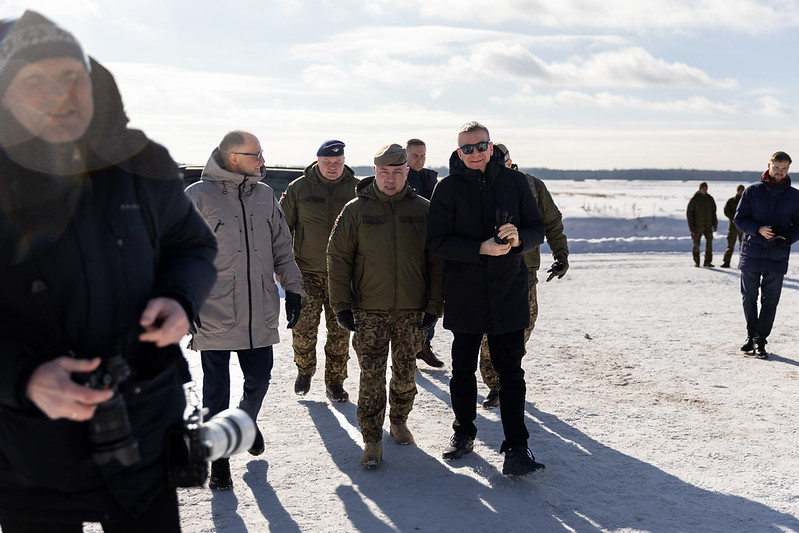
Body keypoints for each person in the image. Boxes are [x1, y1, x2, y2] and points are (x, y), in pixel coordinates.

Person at [0, 11, 218, 531]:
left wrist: (180, 298)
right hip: (30, 457)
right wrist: (23, 379)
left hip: (144, 437)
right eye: (35, 81)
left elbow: (192, 245)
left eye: (70, 75)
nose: (61, 94)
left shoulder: (141, 163)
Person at [185, 130, 304, 490]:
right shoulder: (197, 196)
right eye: (256, 154)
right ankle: (219, 462)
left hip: (259, 307)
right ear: (234, 157)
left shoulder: (265, 195)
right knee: (215, 392)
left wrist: (293, 288)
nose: (263, 160)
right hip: (214, 310)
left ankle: (245, 422)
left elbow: (282, 245)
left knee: (259, 379)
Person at [427, 121, 547, 477]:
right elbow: (436, 241)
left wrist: (518, 238)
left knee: (511, 373)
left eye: (481, 146)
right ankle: (464, 432)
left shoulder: (515, 183)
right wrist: (480, 248)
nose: (475, 153)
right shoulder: (447, 189)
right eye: (467, 148)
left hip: (508, 292)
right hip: (465, 294)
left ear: (491, 147)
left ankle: (517, 447)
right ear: (458, 152)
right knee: (462, 370)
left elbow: (537, 229)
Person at [327, 144, 443, 468]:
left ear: (407, 172)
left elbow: (436, 262)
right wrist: (341, 305)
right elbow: (338, 257)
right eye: (384, 172)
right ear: (375, 172)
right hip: (369, 311)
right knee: (372, 378)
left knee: (405, 375)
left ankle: (399, 421)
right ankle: (372, 440)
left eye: (397, 172)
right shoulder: (355, 210)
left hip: (411, 311)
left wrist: (434, 305)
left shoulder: (423, 210)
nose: (390, 179)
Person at [478, 143, 569, 409]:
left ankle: (508, 376)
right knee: (488, 334)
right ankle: (496, 385)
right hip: (488, 270)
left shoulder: (531, 185)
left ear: (510, 161)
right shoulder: (479, 185)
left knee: (523, 326)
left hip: (525, 269)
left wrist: (560, 255)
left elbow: (552, 222)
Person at [280, 140, 358, 402]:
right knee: (303, 328)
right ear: (318, 161)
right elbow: (281, 229)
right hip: (306, 273)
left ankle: (335, 382)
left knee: (340, 332)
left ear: (344, 161)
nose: (333, 167)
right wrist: (282, 267)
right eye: (327, 163)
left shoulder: (356, 188)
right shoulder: (299, 188)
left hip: (342, 275)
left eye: (338, 162)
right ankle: (304, 370)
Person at [733, 151, 799, 359]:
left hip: (777, 255)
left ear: (788, 169)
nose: (780, 172)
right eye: (777, 167)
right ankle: (751, 334)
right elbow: (739, 220)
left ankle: (760, 339)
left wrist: (787, 238)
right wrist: (758, 229)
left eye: (784, 169)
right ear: (769, 166)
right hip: (752, 252)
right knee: (749, 297)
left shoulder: (795, 196)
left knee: (770, 300)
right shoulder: (753, 191)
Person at [405, 138, 444, 368]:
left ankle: (424, 345)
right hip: (407, 250)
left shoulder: (431, 180)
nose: (419, 160)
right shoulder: (399, 178)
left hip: (431, 247)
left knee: (433, 297)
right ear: (406, 156)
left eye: (422, 156)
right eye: (415, 156)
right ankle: (408, 349)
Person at [686, 182, 718, 267]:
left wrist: (715, 223)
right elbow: (689, 214)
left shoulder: (710, 199)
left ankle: (707, 261)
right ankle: (697, 261)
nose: (704, 190)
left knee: (709, 243)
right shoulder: (695, 199)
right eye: (703, 188)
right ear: (700, 189)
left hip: (708, 225)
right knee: (696, 244)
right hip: (697, 226)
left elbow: (713, 212)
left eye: (706, 188)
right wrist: (691, 226)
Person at [721, 185, 746, 268]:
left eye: (742, 190)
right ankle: (726, 262)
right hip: (733, 227)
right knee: (730, 246)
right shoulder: (731, 201)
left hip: (743, 227)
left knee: (743, 246)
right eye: (739, 190)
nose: (741, 192)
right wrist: (734, 218)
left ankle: (743, 263)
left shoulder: (746, 201)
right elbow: (726, 211)